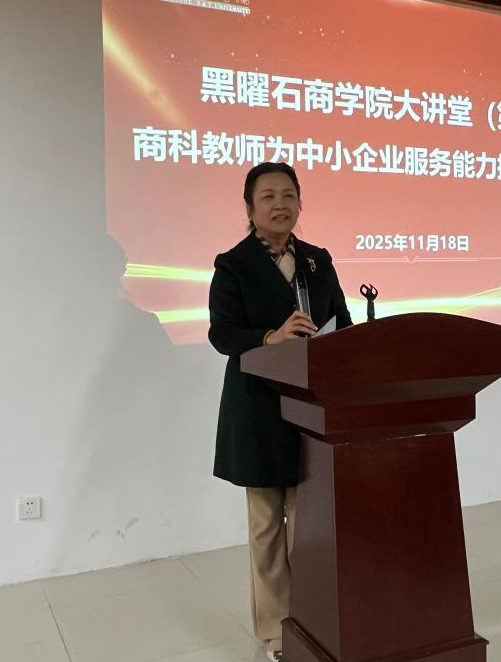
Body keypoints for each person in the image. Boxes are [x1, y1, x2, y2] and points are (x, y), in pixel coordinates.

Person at [208, 162, 352, 662]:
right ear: (250, 208)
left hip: (312, 405)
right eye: (267, 196)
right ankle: (274, 629)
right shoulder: (233, 264)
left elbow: (341, 320)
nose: (280, 204)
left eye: (289, 194)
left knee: (309, 524)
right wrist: (271, 337)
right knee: (268, 523)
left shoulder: (316, 260)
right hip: (258, 406)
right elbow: (222, 333)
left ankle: (311, 617)